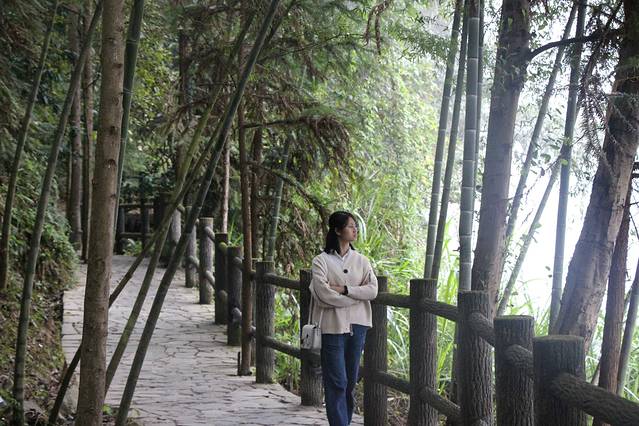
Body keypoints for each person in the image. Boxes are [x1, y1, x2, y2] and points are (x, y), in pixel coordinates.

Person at [309, 211, 378, 426]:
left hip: (358, 327)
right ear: (338, 230)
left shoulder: (362, 261)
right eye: (350, 226)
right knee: (337, 381)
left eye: (355, 226)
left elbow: (373, 290)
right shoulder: (321, 261)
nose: (355, 229)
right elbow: (323, 294)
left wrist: (345, 289)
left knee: (350, 382)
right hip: (332, 327)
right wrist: (355, 297)